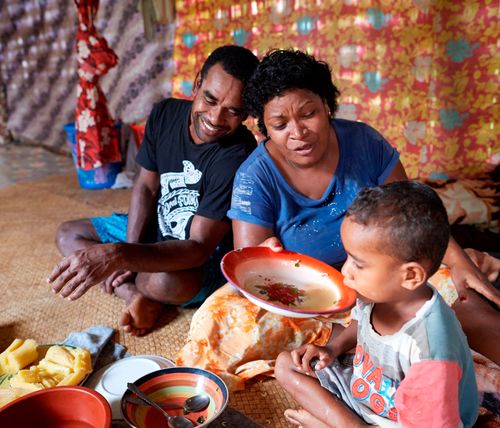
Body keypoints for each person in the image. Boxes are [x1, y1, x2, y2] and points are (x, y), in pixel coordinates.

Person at [176, 49, 500, 387]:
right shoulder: (254, 176)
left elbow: (415, 218)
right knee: (216, 322)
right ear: (263, 128)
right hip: (302, 301)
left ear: (327, 106)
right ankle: (366, 338)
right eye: (280, 124)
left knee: (461, 291)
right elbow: (250, 271)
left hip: (380, 280)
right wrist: (266, 256)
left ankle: (369, 337)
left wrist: (461, 263)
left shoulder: (364, 142)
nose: (297, 132)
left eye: (308, 114)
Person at [48, 45, 259, 336]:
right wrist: (130, 255)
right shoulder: (164, 114)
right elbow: (146, 187)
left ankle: (147, 292)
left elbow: (198, 248)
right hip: (155, 233)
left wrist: (121, 255)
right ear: (197, 83)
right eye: (209, 99)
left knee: (163, 282)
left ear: (246, 112)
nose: (215, 118)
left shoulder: (238, 153)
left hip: (194, 259)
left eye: (233, 111)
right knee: (67, 234)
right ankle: (135, 296)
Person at [275, 181, 479, 428]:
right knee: (287, 365)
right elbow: (361, 324)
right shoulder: (376, 293)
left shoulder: (431, 352)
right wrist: (332, 349)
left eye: (358, 264)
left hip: (415, 422)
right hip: (367, 394)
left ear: (411, 276)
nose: (345, 270)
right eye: (348, 256)